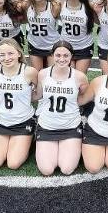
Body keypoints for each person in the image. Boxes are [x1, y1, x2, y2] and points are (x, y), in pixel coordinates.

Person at [32, 41, 89, 176]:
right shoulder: (43, 74)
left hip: (70, 126)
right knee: (46, 170)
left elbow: (84, 99)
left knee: (66, 169)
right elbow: (38, 96)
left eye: (66, 55)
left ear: (71, 57)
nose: (62, 59)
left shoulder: (79, 77)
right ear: (52, 55)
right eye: (58, 55)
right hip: (47, 126)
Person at [0, 38, 38, 169]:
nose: (6, 58)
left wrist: (26, 98)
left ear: (19, 53)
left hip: (23, 121)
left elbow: (39, 93)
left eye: (10, 53)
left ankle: (30, 136)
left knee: (13, 164)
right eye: (2, 55)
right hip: (1, 121)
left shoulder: (29, 72)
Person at [59, 0, 98, 74]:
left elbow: (100, 21)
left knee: (79, 77)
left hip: (84, 47)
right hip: (66, 46)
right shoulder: (60, 4)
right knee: (68, 76)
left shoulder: (88, 5)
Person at [22, 0, 62, 71]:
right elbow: (24, 20)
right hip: (34, 45)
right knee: (37, 74)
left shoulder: (53, 7)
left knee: (51, 74)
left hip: (52, 45)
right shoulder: (27, 6)